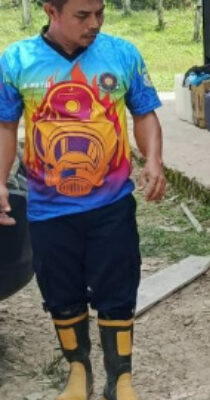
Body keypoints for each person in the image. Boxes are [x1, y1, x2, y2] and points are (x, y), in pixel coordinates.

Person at [0, 0, 165, 399]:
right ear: (50, 11)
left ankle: (120, 376)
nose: (94, 23)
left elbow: (144, 113)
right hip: (47, 208)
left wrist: (154, 160)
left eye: (100, 13)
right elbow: (6, 124)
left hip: (111, 205)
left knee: (118, 288)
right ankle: (79, 371)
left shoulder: (122, 54)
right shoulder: (17, 59)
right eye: (82, 15)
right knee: (61, 292)